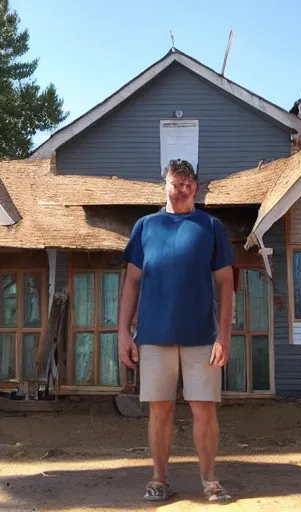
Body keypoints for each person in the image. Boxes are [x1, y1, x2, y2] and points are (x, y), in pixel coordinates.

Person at [118, 159, 234, 503]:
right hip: (154, 335)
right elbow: (132, 282)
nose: (181, 189)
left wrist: (224, 335)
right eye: (175, 183)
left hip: (202, 336)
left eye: (187, 184)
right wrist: (123, 332)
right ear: (165, 185)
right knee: (160, 409)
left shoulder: (211, 226)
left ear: (195, 188)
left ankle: (210, 480)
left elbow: (226, 284)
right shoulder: (145, 226)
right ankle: (158, 479)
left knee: (204, 409)